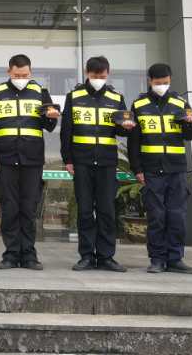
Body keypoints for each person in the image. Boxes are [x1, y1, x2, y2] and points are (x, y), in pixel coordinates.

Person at [0, 54, 59, 270]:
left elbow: (49, 126)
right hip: (5, 158)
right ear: (9, 72)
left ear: (30, 72)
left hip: (31, 159)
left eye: (24, 75)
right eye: (17, 75)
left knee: (28, 208)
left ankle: (29, 255)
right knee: (9, 208)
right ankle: (10, 254)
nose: (21, 78)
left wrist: (52, 117)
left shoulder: (40, 92)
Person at [61, 56, 135, 272]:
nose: (98, 79)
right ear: (87, 73)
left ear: (108, 74)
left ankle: (106, 257)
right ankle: (86, 256)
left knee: (106, 211)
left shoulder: (116, 98)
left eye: (102, 76)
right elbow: (66, 130)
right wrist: (68, 159)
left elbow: (121, 129)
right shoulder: (74, 97)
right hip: (82, 161)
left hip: (106, 162)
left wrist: (126, 127)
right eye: (95, 76)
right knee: (84, 210)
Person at [128, 63, 192, 274]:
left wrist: (190, 123)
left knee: (177, 216)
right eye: (158, 82)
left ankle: (175, 258)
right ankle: (157, 259)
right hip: (151, 169)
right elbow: (133, 141)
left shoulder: (180, 103)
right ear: (150, 81)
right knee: (156, 217)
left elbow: (191, 136)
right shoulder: (139, 105)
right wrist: (137, 169)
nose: (162, 85)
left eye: (166, 82)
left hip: (176, 169)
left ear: (170, 80)